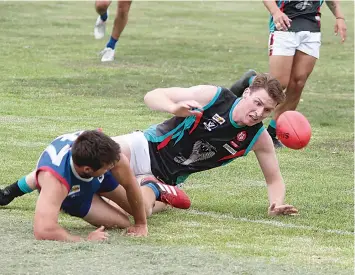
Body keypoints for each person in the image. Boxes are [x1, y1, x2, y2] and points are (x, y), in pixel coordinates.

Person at [1, 74, 297, 217]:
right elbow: (151, 95)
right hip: (144, 146)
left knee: (138, 212)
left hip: (167, 177)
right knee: (88, 155)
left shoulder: (257, 138)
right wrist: (174, 107)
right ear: (246, 93)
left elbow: (273, 176)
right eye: (257, 103)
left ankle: (155, 189)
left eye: (267, 110)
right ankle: (12, 190)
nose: (259, 113)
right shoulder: (213, 97)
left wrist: (276, 202)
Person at [3, 130, 150, 241]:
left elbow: (130, 185)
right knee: (123, 222)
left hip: (92, 174)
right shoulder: (56, 180)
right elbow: (43, 230)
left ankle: (156, 189)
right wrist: (85, 240)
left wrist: (141, 224)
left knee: (143, 209)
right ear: (87, 169)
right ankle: (12, 191)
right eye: (108, 166)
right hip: (72, 193)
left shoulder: (105, 153)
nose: (114, 165)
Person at [260, 0, 347, 147]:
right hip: (284, 26)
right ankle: (249, 85)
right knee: (278, 84)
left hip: (311, 28)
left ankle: (273, 133)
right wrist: (275, 12)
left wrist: (340, 18)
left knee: (298, 82)